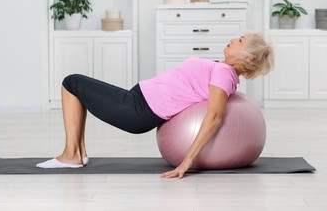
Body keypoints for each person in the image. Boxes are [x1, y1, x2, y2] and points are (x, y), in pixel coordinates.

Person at [36, 30, 274, 178]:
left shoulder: (224, 74)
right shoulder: (223, 70)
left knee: (71, 83)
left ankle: (72, 155)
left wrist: (186, 162)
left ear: (248, 57)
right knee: (76, 86)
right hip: (138, 100)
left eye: (240, 40)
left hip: (139, 110)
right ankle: (78, 154)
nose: (233, 39)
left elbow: (214, 117)